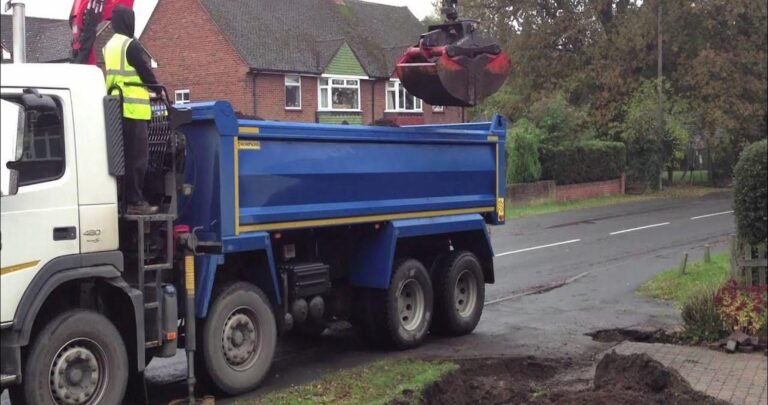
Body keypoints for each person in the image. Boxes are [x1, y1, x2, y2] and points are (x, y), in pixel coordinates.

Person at [103, 5, 159, 215]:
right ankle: (135, 202)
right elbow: (146, 72)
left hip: (115, 108)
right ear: (129, 21)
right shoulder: (130, 45)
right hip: (133, 109)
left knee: (122, 158)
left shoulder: (109, 46)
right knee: (138, 159)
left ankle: (124, 200)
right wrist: (159, 91)